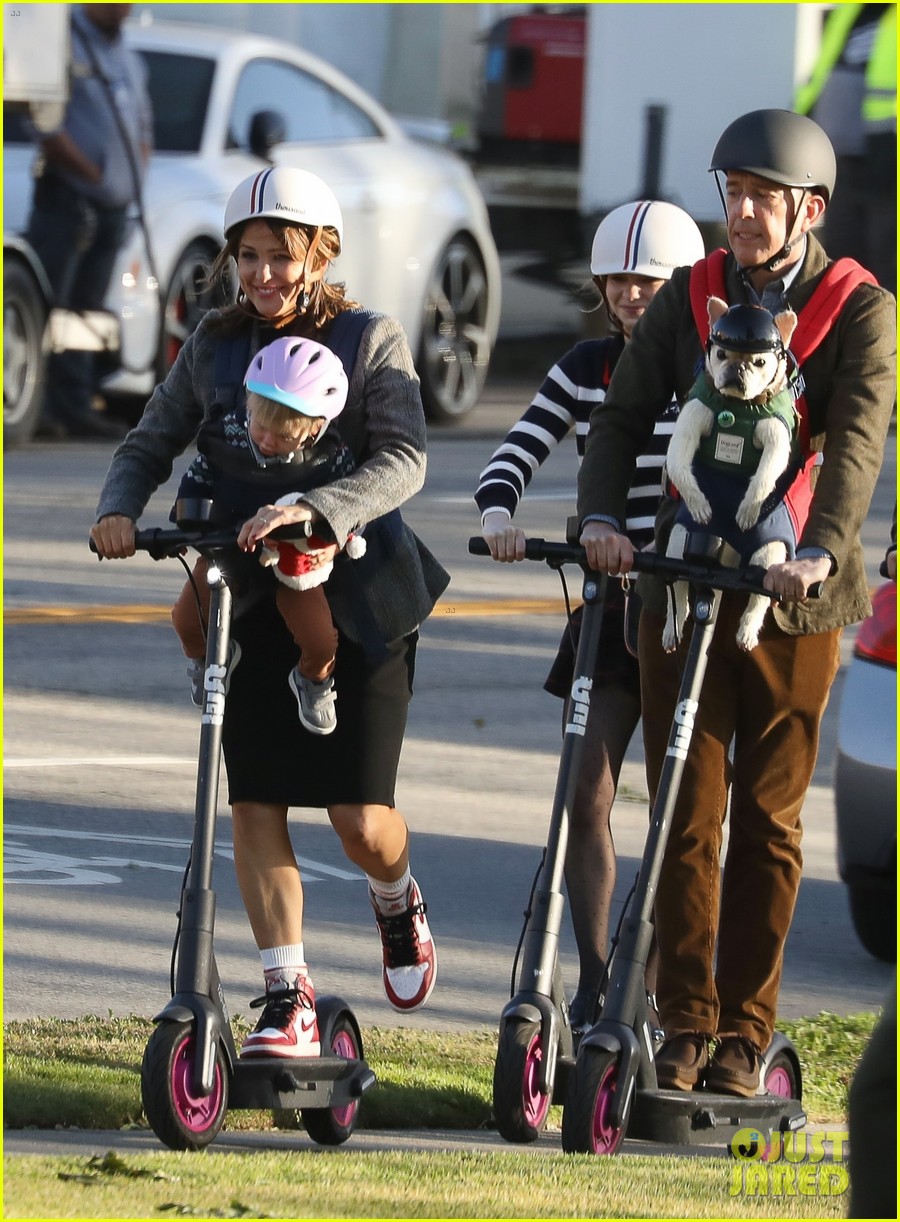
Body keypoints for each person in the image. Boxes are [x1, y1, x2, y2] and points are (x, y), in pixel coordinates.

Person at [91, 166, 449, 1057]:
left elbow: (405, 459)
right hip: (245, 596)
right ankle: (287, 997)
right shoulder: (214, 341)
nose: (261, 275)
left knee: (360, 825)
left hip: (359, 593)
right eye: (247, 256)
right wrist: (119, 505)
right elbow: (154, 436)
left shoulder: (371, 339)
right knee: (253, 801)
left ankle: (398, 899)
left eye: (280, 257)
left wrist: (319, 510)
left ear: (319, 255)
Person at [576, 109, 896, 1095]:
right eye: (733, 194)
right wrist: (599, 521)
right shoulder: (693, 294)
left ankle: (745, 1035)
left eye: (762, 197)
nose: (743, 213)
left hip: (793, 601)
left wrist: (820, 550)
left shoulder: (859, 308)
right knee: (683, 808)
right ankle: (684, 1022)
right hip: (684, 586)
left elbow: (853, 445)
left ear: (808, 208)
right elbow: (626, 416)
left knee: (768, 820)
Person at [475, 200, 705, 1033]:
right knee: (584, 790)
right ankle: (600, 983)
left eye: (647, 281)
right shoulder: (586, 366)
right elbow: (520, 446)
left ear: (683, 285)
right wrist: (499, 513)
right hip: (609, 609)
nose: (629, 295)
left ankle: (660, 982)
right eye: (616, 280)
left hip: (687, 611)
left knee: (681, 809)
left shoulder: (716, 368)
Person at [170, 335, 360, 736]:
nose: (268, 440)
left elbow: (352, 506)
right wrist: (186, 520)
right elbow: (197, 479)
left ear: (315, 429)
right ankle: (208, 658)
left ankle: (313, 678)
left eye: (284, 434)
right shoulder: (228, 436)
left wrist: (338, 538)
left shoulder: (332, 456)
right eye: (261, 424)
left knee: (321, 640)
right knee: (186, 619)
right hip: (228, 545)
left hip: (291, 558)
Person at [25, 4, 152, 440]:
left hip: (111, 209)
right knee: (47, 306)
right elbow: (45, 123)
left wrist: (129, 180)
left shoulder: (127, 57)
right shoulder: (62, 40)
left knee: (82, 314)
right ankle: (34, 407)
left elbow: (142, 128)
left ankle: (73, 406)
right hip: (69, 203)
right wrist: (91, 174)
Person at [795, 2, 896, 294]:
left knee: (887, 265)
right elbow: (819, 77)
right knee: (842, 265)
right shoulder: (849, 11)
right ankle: (848, 336)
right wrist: (798, 127)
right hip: (839, 162)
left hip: (887, 160)